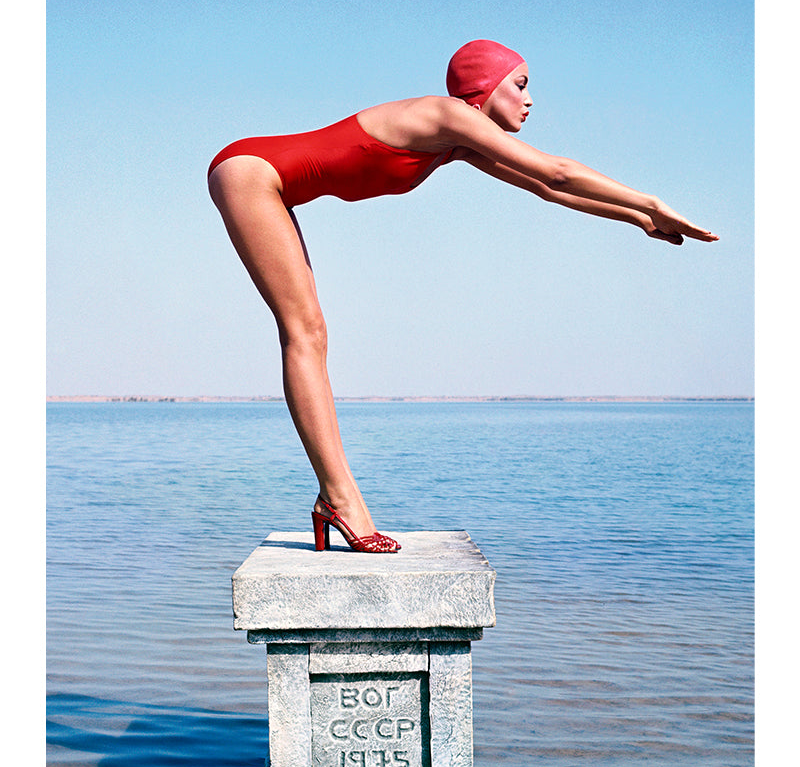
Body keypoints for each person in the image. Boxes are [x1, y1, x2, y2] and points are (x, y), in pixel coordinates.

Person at [208, 39, 718, 554]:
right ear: (485, 87)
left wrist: (639, 220)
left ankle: (332, 501)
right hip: (251, 172)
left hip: (267, 178)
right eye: (520, 85)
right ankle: (338, 499)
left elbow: (547, 189)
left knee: (311, 333)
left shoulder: (456, 140)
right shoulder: (447, 114)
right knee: (305, 332)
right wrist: (653, 200)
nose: (530, 100)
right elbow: (554, 170)